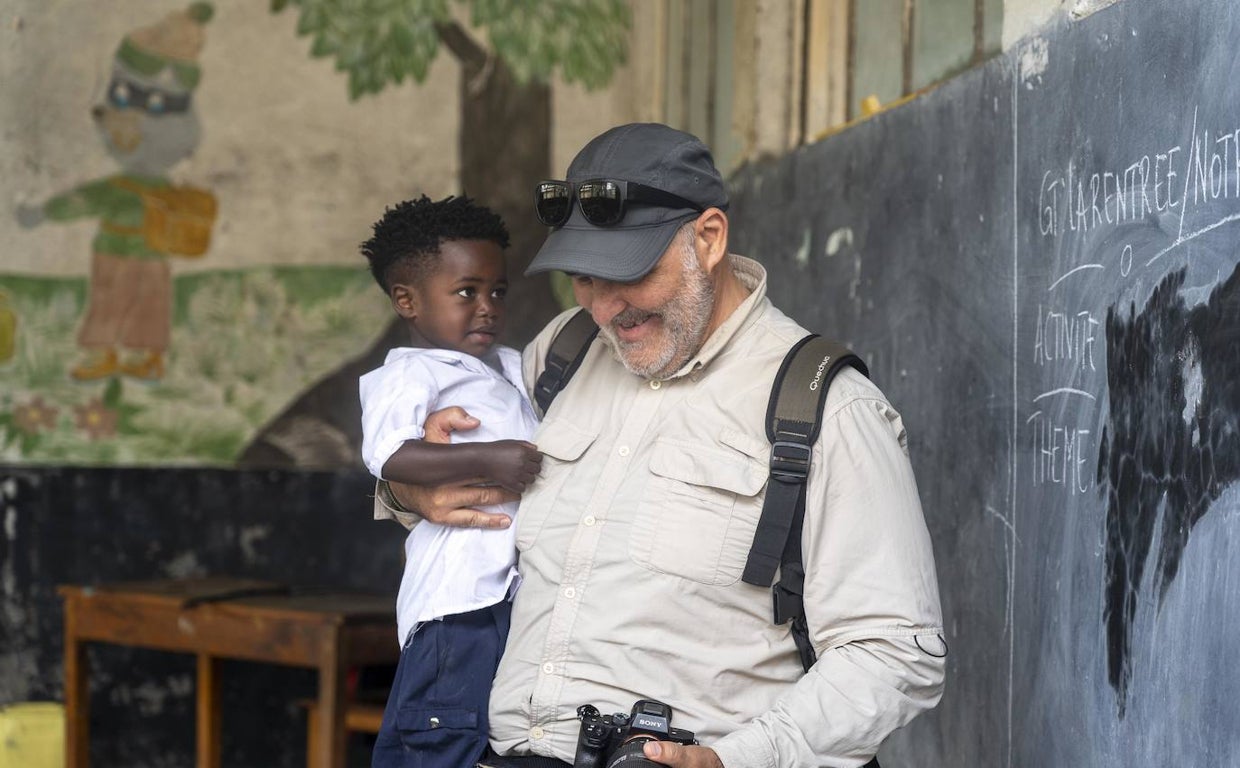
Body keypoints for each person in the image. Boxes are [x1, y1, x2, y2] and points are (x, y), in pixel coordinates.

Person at [377, 124, 946, 768]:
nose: (605, 308)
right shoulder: (561, 355)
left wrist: (737, 758)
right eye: (585, 280)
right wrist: (406, 487)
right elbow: (455, 498)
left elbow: (895, 652)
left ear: (707, 239)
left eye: (630, 275)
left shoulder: (826, 407)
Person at [359, 195, 542, 768]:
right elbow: (389, 455)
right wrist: (491, 459)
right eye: (466, 292)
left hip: (509, 591)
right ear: (407, 301)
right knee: (439, 739)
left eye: (497, 292)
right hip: (457, 601)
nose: (486, 307)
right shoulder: (408, 372)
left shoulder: (512, 365)